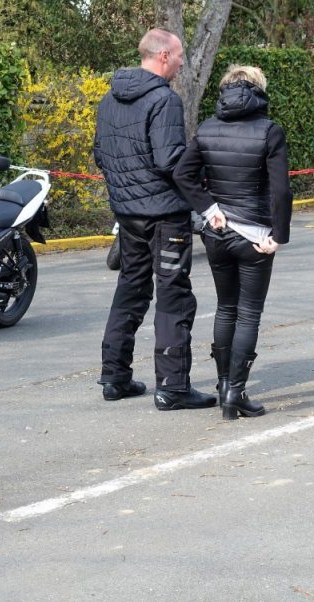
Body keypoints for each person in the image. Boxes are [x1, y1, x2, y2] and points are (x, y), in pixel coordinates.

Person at [92, 28, 216, 411]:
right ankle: (173, 387)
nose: (182, 63)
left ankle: (114, 377)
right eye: (179, 56)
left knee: (131, 288)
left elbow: (100, 154)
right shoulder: (165, 100)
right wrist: (202, 169)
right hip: (165, 216)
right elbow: (169, 160)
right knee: (174, 295)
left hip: (127, 213)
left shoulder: (108, 99)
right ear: (163, 55)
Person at [173, 64, 292, 420]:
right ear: (259, 91)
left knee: (226, 308)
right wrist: (278, 236)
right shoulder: (270, 131)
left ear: (225, 91)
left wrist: (209, 209)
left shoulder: (207, 128)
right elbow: (281, 190)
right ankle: (235, 394)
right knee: (249, 314)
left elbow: (182, 174)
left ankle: (225, 385)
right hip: (255, 235)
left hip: (217, 233)